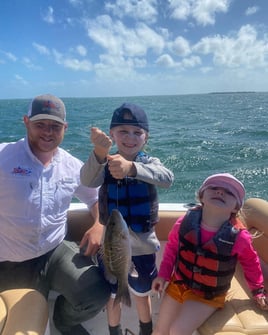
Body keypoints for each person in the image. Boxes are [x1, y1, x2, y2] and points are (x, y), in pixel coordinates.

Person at [0, 94, 111, 335]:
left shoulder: (72, 165)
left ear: (65, 128)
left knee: (97, 293)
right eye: (40, 125)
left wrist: (99, 225)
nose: (48, 132)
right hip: (7, 260)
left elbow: (96, 198)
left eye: (55, 126)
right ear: (26, 122)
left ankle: (64, 321)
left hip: (54, 252)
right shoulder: (3, 157)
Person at [80, 102, 174, 335]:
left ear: (146, 138)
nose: (130, 138)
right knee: (112, 296)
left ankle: (145, 330)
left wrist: (132, 168)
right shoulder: (104, 164)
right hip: (111, 248)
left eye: (137, 132)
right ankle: (114, 331)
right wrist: (99, 154)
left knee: (142, 295)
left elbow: (167, 178)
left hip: (142, 248)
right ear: (112, 134)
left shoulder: (150, 164)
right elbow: (87, 180)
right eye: (123, 131)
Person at [151, 173, 268, 335]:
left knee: (176, 331)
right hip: (178, 284)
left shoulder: (239, 237)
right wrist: (163, 275)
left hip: (208, 296)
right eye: (213, 188)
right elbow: (172, 249)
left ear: (236, 207)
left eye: (228, 192)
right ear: (201, 196)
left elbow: (251, 263)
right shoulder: (184, 222)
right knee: (159, 330)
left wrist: (258, 291)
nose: (220, 192)